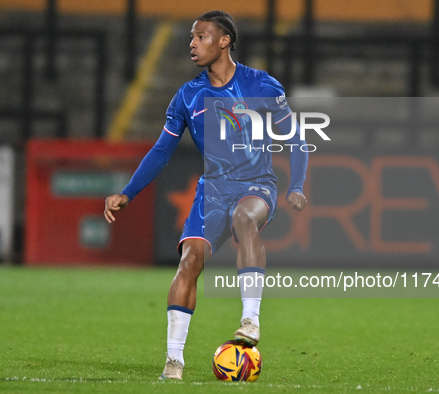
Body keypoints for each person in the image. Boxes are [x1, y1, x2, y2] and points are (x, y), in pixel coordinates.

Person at [104, 10, 308, 380]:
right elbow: (162, 150)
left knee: (244, 220)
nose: (192, 43)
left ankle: (250, 320)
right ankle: (174, 361)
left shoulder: (262, 85)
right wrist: (128, 192)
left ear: (224, 41)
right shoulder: (188, 95)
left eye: (201, 36)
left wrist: (295, 185)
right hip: (211, 190)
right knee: (189, 261)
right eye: (192, 37)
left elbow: (296, 138)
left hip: (256, 183)